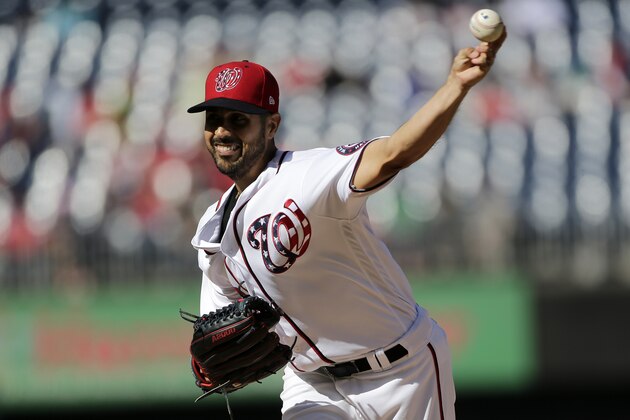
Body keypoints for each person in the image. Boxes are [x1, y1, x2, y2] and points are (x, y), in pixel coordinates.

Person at [186, 29, 506, 419]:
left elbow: (393, 153)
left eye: (238, 119)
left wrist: (455, 85)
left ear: (271, 125)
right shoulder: (212, 232)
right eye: (214, 119)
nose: (222, 131)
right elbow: (214, 331)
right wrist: (216, 364)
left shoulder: (308, 177)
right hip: (312, 385)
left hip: (402, 373)